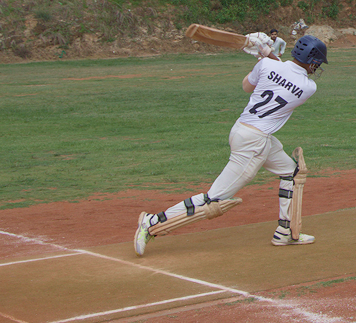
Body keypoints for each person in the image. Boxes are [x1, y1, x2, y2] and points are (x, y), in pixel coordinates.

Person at [135, 35, 328, 253]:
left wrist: (264, 56)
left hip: (242, 130)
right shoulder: (308, 87)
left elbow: (247, 86)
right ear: (312, 61)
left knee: (292, 172)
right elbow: (286, 75)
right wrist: (267, 53)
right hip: (254, 144)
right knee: (215, 198)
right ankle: (151, 221)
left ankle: (285, 232)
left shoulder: (266, 65)